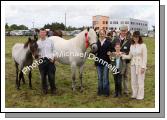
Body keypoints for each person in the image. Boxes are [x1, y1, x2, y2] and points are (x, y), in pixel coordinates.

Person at [122, 31, 147, 100]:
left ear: (139, 37)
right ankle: (134, 94)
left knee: (140, 81)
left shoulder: (143, 45)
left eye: (137, 37)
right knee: (133, 80)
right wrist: (122, 55)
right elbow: (130, 56)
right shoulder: (132, 45)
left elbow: (145, 57)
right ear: (132, 37)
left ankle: (140, 96)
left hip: (140, 65)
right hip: (133, 65)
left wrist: (143, 67)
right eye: (134, 37)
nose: (136, 38)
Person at [37, 28, 56, 95]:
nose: (42, 34)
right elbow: (36, 53)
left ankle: (53, 89)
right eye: (41, 32)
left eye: (43, 32)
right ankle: (44, 89)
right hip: (41, 61)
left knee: (51, 76)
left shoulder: (50, 41)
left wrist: (53, 58)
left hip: (50, 60)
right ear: (39, 34)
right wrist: (37, 58)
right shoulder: (37, 43)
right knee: (43, 76)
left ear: (46, 33)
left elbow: (54, 50)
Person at [113, 25, 131, 96]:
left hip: (126, 61)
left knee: (126, 76)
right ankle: (119, 91)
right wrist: (114, 53)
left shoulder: (129, 40)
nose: (123, 32)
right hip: (118, 61)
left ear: (127, 31)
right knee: (119, 76)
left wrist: (124, 54)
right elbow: (112, 48)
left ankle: (126, 91)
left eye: (125, 31)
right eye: (122, 31)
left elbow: (131, 51)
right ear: (120, 31)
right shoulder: (115, 39)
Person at [94, 29, 113, 96]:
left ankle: (106, 92)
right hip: (98, 63)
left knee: (105, 77)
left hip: (106, 62)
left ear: (105, 34)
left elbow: (111, 50)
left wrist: (110, 52)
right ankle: (100, 91)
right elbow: (94, 52)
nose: (102, 35)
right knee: (99, 77)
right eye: (100, 33)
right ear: (99, 34)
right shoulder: (96, 43)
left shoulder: (109, 42)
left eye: (103, 33)